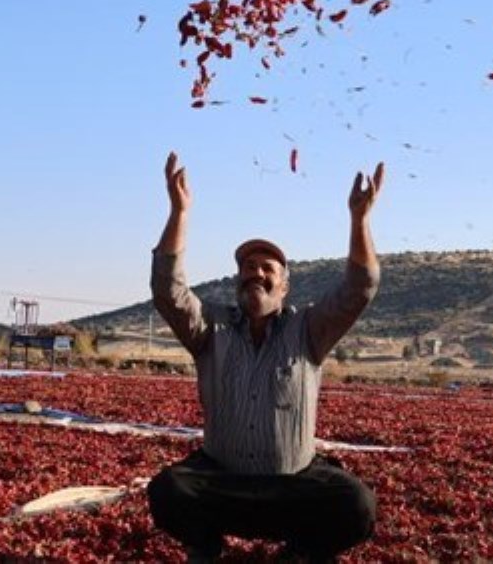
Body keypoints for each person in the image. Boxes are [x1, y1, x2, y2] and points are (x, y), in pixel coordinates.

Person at [147, 151, 383, 563]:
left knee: (357, 504)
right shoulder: (210, 328)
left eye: (267, 267)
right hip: (222, 482)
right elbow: (167, 289)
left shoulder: (308, 330)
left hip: (293, 485)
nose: (255, 272)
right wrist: (179, 211)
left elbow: (359, 288)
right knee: (168, 491)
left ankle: (301, 552)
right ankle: (205, 545)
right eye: (248, 266)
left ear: (284, 287)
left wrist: (359, 221)